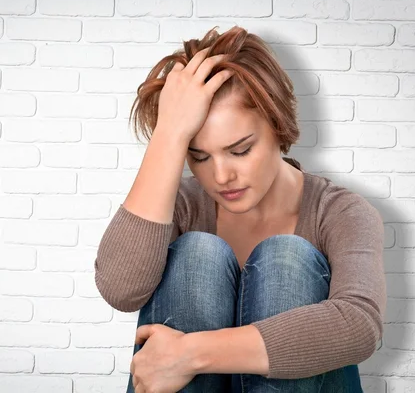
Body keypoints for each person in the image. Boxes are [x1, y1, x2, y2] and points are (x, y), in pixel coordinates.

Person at [94, 25, 386, 393]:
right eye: (198, 156)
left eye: (240, 150)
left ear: (278, 126)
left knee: (286, 257)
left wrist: (192, 353)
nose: (220, 176)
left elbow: (359, 325)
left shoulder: (341, 211)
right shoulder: (183, 205)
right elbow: (121, 291)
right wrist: (168, 132)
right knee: (197, 254)